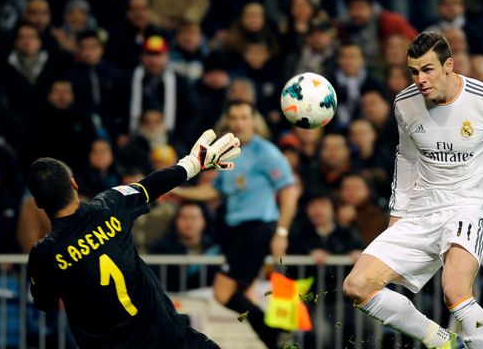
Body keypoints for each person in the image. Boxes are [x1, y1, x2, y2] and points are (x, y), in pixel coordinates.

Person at [342, 31, 483, 349]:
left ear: (449, 65)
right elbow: (407, 159)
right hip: (420, 210)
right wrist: (398, 214)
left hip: (467, 207)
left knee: (455, 291)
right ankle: (441, 340)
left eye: (427, 69)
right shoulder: (404, 104)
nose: (420, 79)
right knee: (356, 285)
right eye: (414, 71)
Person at [27, 128, 241, 348]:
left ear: (37, 202)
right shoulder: (109, 206)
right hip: (167, 339)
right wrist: (192, 164)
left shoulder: (44, 254)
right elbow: (150, 186)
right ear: (73, 184)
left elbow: (45, 303)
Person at [171, 100, 298, 349]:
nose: (239, 122)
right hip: (237, 233)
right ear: (228, 122)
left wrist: (282, 232)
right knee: (244, 294)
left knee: (223, 292)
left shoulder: (266, 152)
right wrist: (180, 193)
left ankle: (276, 335)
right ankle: (274, 338)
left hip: (257, 229)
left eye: (244, 117)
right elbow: (214, 191)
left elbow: (289, 191)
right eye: (234, 118)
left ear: (253, 121)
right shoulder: (230, 154)